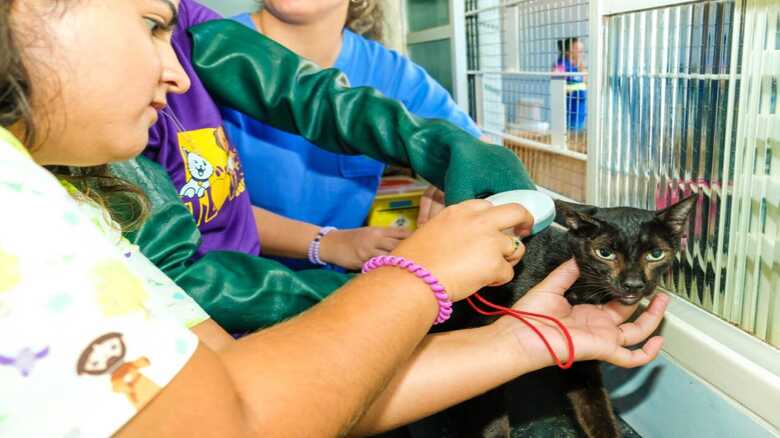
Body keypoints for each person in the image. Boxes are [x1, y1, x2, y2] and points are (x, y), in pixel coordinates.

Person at [1, 1, 668, 435]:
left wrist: (525, 338)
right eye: (151, 24)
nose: (178, 74)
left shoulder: (60, 200)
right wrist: (415, 280)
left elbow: (241, 383)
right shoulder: (28, 217)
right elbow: (239, 412)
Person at [132, 0, 538, 332]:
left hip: (341, 283)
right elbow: (192, 252)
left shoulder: (388, 72)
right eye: (151, 26)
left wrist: (454, 168)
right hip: (261, 295)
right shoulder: (178, 65)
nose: (175, 77)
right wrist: (344, 255)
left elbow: (314, 97)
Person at [222, 0, 481, 271]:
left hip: (336, 284)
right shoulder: (210, 50)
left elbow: (475, 149)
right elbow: (194, 203)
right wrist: (327, 243)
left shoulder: (389, 74)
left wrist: (456, 175)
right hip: (227, 280)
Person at [554, 37, 587, 132]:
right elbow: (557, 87)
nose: (581, 53)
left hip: (579, 112)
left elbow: (586, 83)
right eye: (578, 50)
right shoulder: (561, 64)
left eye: (582, 50)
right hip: (568, 113)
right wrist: (577, 87)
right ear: (568, 51)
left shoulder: (578, 66)